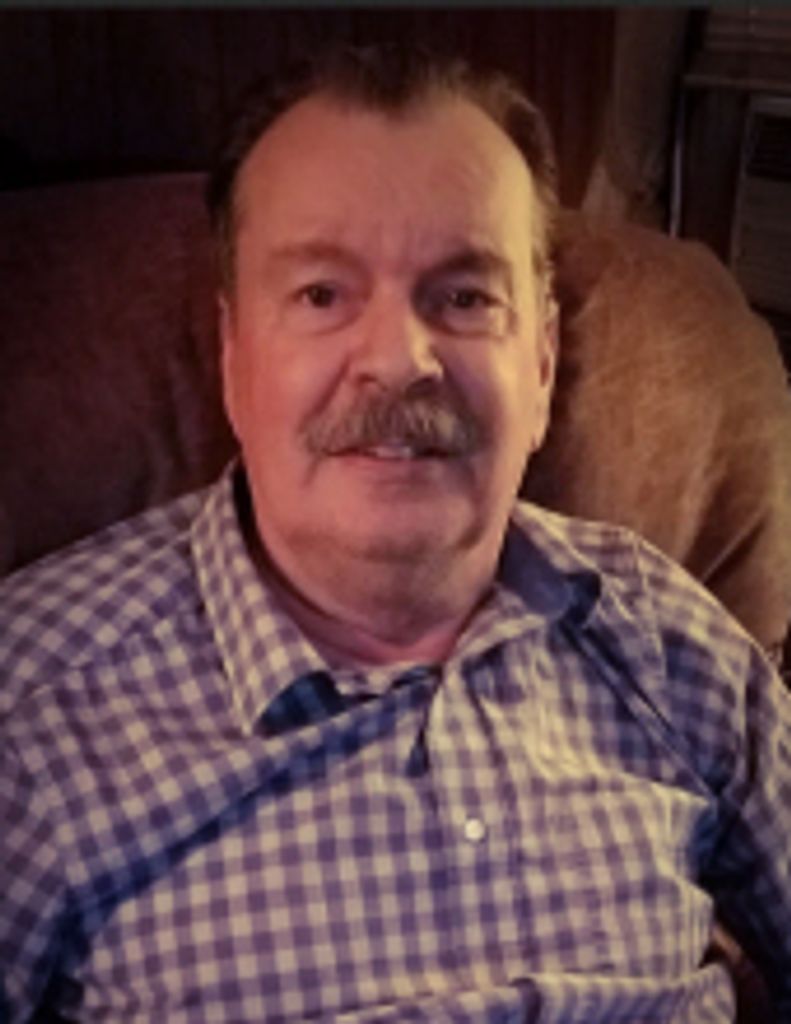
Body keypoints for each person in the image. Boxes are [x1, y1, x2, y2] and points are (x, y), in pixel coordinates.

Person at [1, 44, 789, 1023]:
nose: (398, 359)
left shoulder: (664, 634)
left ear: (541, 364)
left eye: (463, 297)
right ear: (236, 358)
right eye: (321, 294)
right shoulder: (31, 712)